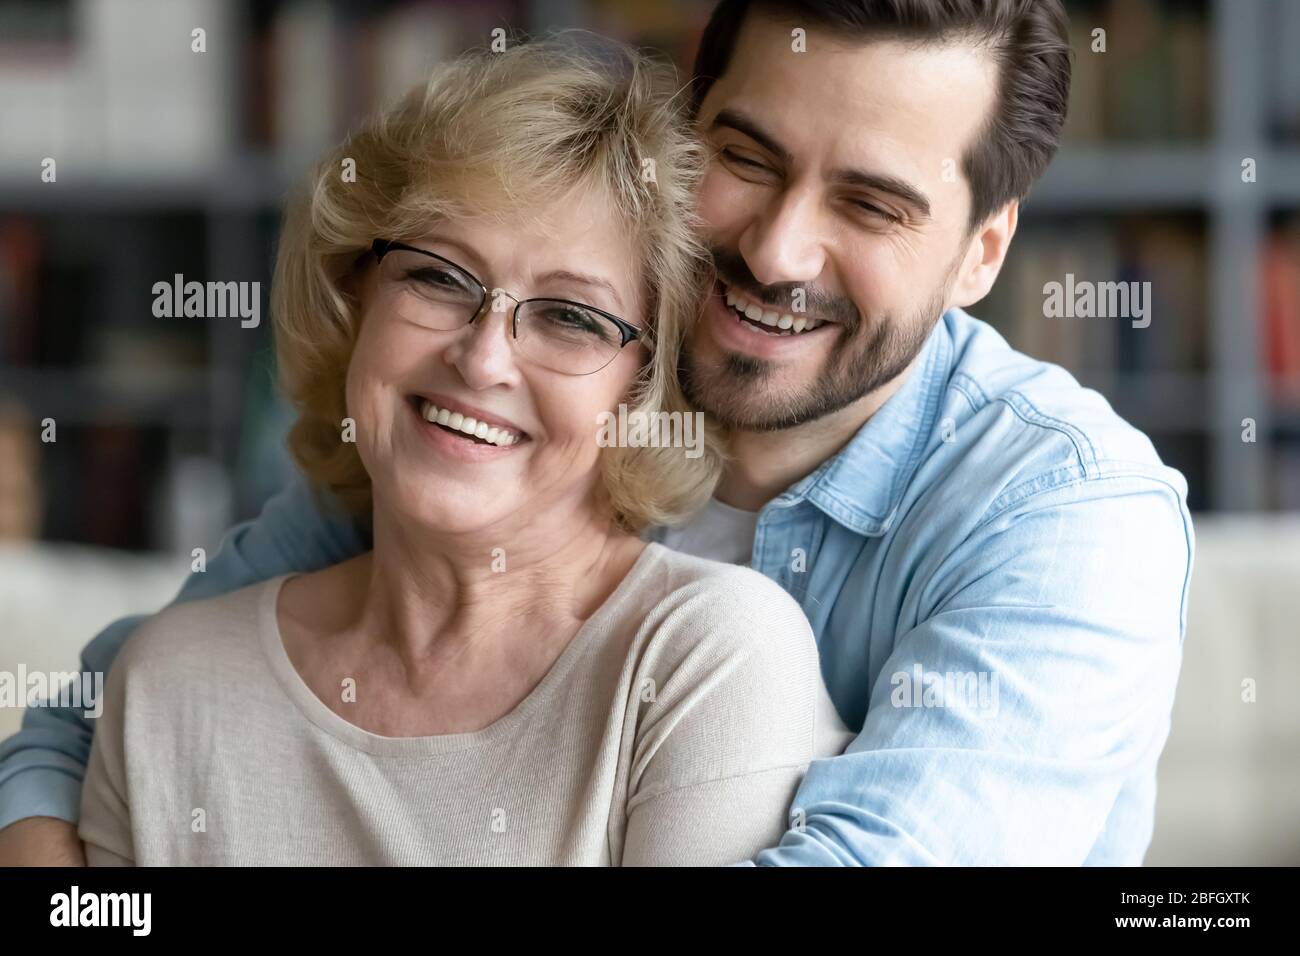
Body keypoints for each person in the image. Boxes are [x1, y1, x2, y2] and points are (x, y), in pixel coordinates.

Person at [0, 0, 1193, 867]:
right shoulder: (519, 403)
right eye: (747, 158)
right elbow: (118, 701)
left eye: (869, 204)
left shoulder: (1065, 515)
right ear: (683, 142)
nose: (777, 251)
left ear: (982, 250)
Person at [72, 37, 853, 866]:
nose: (483, 360)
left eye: (571, 317)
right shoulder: (168, 683)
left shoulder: (706, 658)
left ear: (643, 387)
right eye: (440, 277)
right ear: (355, 296)